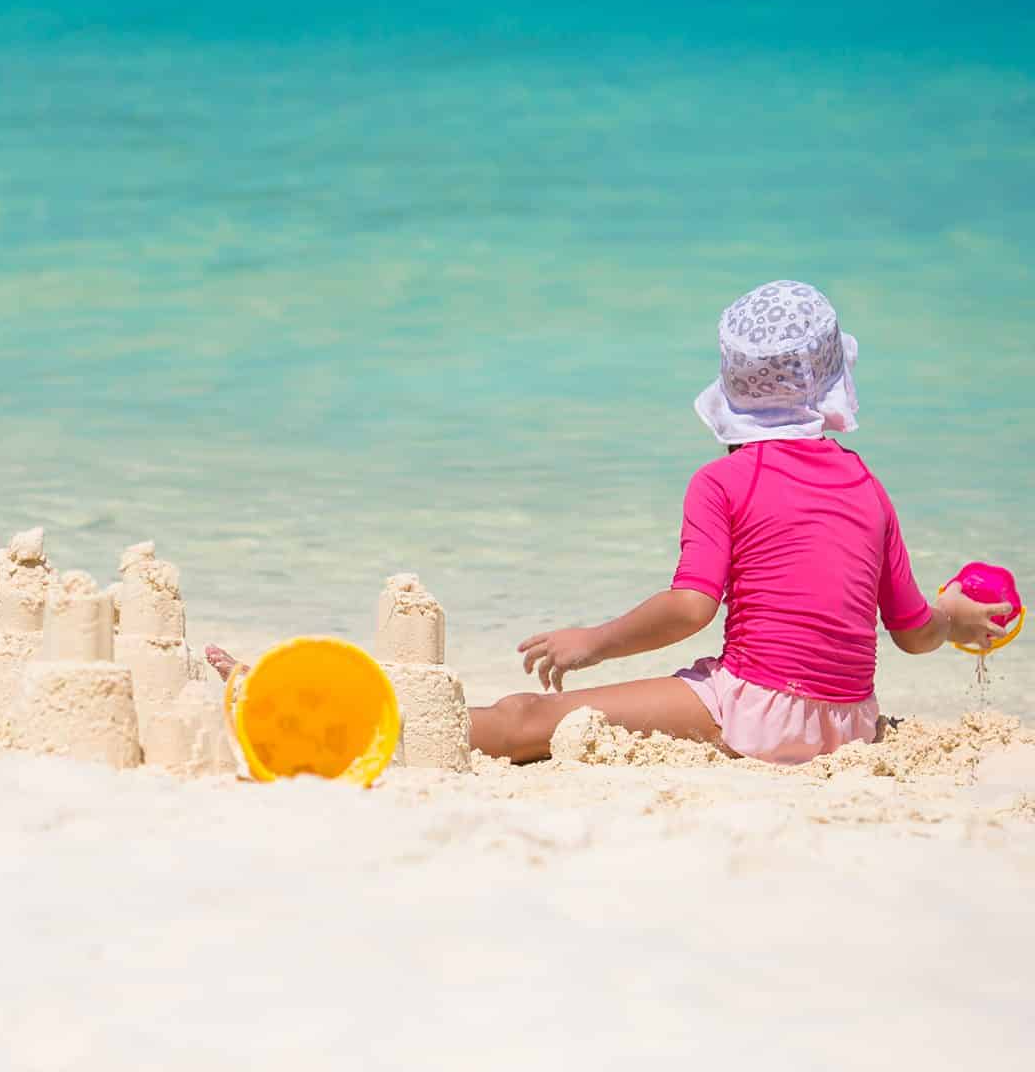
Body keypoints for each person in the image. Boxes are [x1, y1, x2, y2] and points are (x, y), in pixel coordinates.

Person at [207, 280, 1011, 765]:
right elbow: (911, 631)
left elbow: (692, 606)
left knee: (532, 718)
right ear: (833, 390)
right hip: (849, 725)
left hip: (763, 710)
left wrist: (590, 641)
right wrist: (958, 617)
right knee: (650, 691)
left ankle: (341, 719)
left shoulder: (722, 481)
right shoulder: (868, 486)